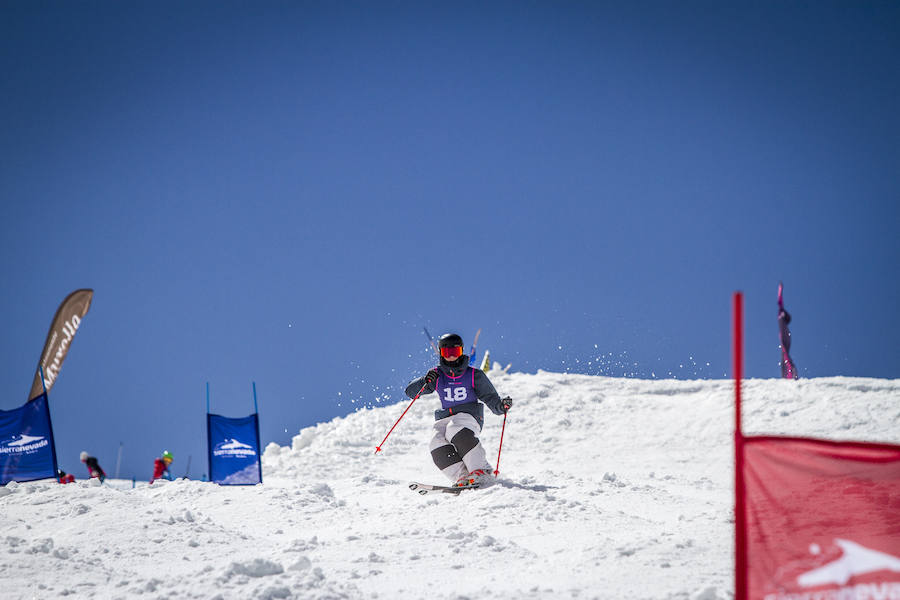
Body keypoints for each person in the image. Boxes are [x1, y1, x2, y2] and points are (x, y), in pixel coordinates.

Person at [405, 332, 512, 487]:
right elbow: (410, 392)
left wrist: (501, 406)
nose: (451, 357)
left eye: (455, 352)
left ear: (461, 351)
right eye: (446, 353)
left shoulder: (474, 374)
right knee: (436, 442)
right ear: (441, 353)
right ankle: (462, 476)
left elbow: (490, 397)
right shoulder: (436, 375)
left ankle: (481, 469)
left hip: (469, 415)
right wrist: (424, 381)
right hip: (445, 417)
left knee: (455, 428)